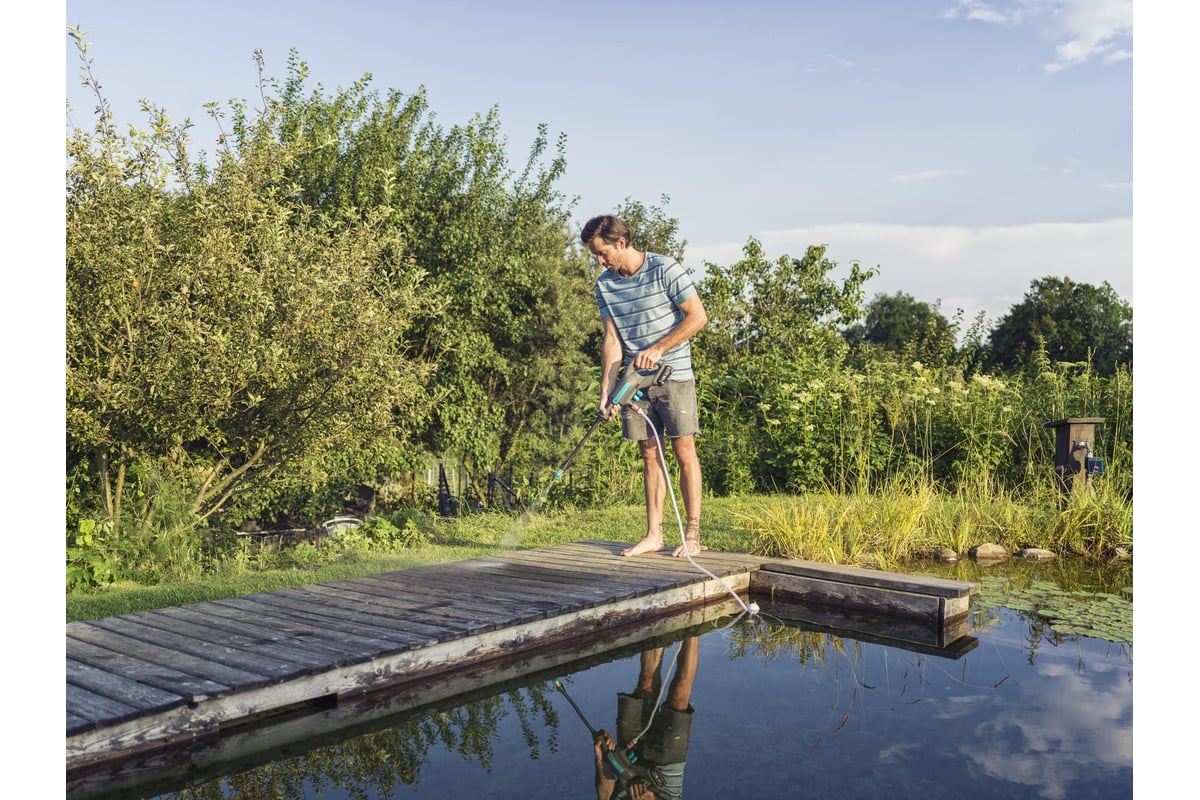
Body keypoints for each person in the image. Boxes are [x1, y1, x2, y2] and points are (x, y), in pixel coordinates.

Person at [581, 215, 708, 558]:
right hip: (635, 380)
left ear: (621, 243)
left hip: (674, 374)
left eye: (602, 253)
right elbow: (612, 341)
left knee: (684, 450)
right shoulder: (604, 285)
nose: (600, 261)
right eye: (596, 255)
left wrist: (657, 349)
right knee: (649, 453)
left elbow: (697, 317)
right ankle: (654, 535)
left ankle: (692, 536)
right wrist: (607, 392)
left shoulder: (665, 268)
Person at [593, 637, 700, 800]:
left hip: (627, 761)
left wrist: (601, 760)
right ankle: (695, 626)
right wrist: (651, 798)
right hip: (664, 779)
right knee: (679, 696)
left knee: (645, 686)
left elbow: (605, 794)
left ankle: (657, 625)